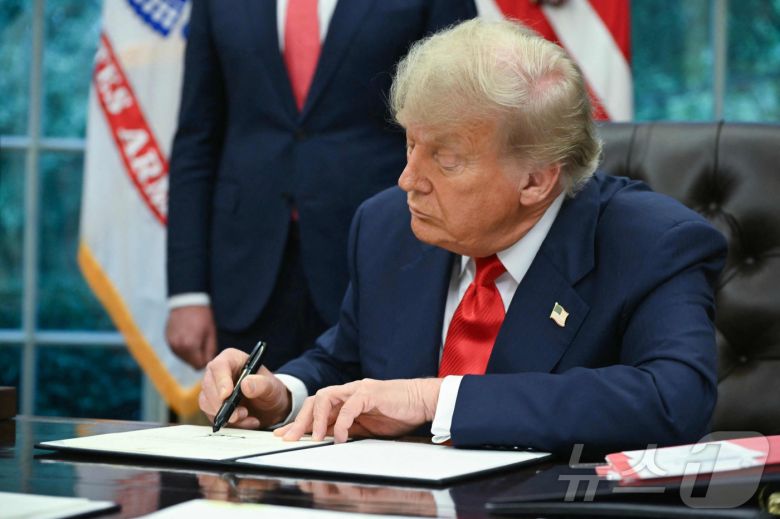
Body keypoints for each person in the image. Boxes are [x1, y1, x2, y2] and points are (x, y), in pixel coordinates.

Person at [198, 18, 727, 455]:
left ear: (536, 180)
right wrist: (282, 394)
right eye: (410, 145)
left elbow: (672, 400)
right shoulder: (386, 226)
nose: (408, 179)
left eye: (445, 160)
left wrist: (437, 400)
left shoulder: (651, 243)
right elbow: (347, 361)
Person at [165, 0, 477, 370]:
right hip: (246, 269)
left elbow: (462, 121)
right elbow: (197, 140)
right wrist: (187, 291)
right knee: (250, 401)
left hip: (385, 261)